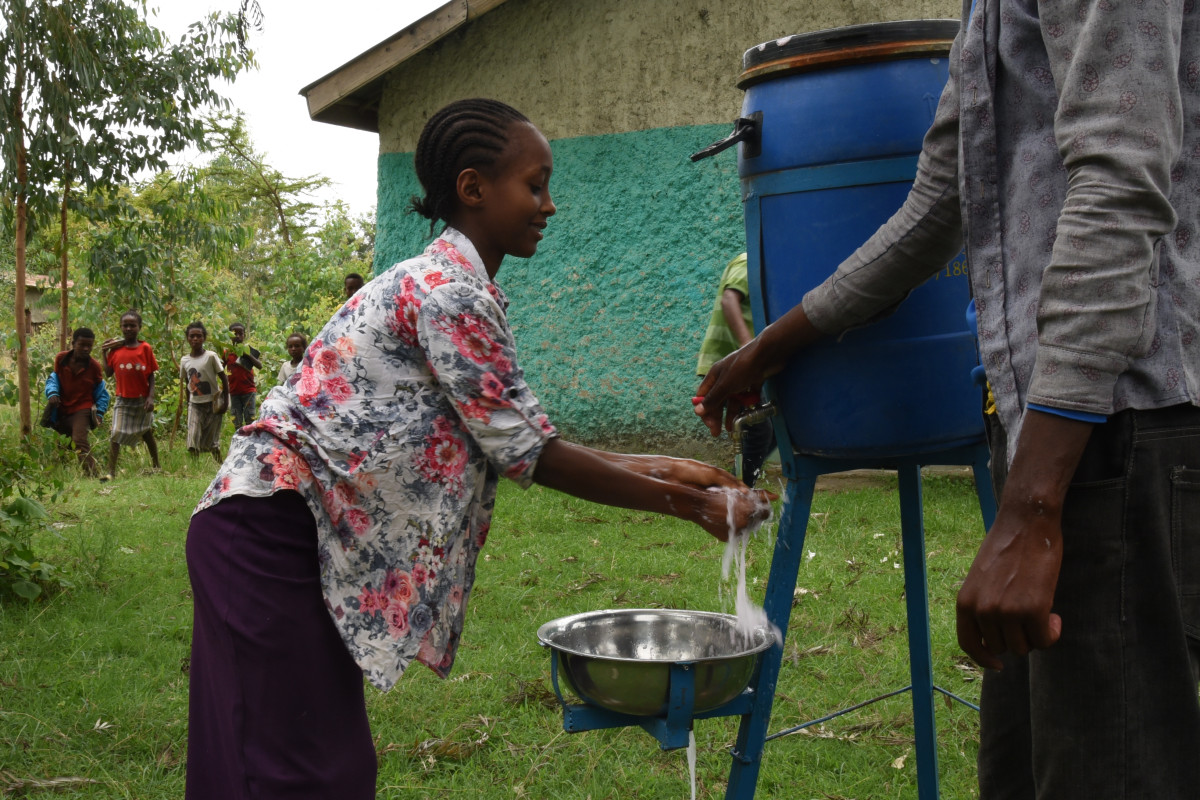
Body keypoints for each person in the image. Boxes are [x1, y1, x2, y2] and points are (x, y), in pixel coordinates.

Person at [183, 98, 772, 800]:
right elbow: (533, 455)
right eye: (535, 185)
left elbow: (520, 437)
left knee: (279, 762)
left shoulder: (456, 290)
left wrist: (676, 470)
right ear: (473, 188)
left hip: (286, 533)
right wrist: (687, 504)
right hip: (268, 533)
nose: (549, 205)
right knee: (298, 772)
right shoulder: (448, 296)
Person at [696, 4, 1200, 797]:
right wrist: (767, 346)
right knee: (1023, 772)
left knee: (1111, 768)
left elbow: (1119, 182)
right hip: (1048, 435)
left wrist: (1032, 509)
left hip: (1122, 427)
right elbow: (935, 208)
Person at [695, 252, 775, 487]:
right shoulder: (749, 259)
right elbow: (729, 299)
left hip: (748, 366)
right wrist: (749, 351)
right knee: (759, 431)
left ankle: (737, 485)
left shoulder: (766, 267)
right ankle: (735, 491)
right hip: (730, 365)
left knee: (768, 430)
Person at [100, 310, 160, 479]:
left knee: (146, 432)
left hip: (142, 400)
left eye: (132, 325)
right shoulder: (115, 351)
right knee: (116, 433)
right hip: (123, 399)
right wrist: (103, 353)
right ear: (120, 327)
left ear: (139, 327)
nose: (128, 328)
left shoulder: (145, 348)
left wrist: (150, 397)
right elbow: (109, 373)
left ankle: (156, 465)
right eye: (125, 325)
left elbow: (151, 375)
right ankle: (111, 471)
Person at [44, 328, 109, 477]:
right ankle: (62, 473)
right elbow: (54, 379)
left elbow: (102, 392)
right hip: (62, 407)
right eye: (82, 345)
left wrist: (99, 413)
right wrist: (52, 393)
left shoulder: (94, 366)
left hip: (83, 408)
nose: (86, 349)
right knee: (63, 442)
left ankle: (92, 475)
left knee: (79, 440)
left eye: (89, 345)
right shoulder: (61, 359)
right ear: (73, 343)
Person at [180, 322, 228, 464]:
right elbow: (186, 382)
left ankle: (220, 465)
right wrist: (188, 403)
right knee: (193, 437)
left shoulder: (211, 356)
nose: (195, 339)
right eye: (192, 336)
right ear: (187, 338)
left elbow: (223, 378)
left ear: (204, 338)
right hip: (195, 404)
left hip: (213, 403)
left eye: (199, 336)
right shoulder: (185, 360)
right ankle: (195, 467)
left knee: (212, 440)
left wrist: (225, 401)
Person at [222, 322, 261, 430]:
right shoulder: (227, 352)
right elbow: (220, 368)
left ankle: (250, 442)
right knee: (236, 421)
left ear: (244, 335)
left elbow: (259, 365)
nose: (238, 336)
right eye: (235, 334)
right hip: (234, 392)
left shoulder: (248, 349)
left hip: (249, 391)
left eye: (241, 334)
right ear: (230, 335)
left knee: (250, 419)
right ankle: (239, 441)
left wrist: (247, 355)